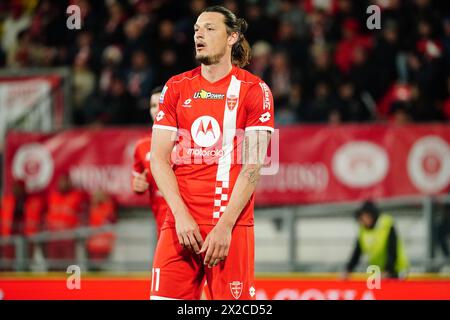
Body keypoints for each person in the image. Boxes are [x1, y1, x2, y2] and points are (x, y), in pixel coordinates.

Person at [149, 6, 274, 300]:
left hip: (229, 228)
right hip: (180, 226)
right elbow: (158, 159)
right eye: (196, 30)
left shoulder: (255, 90)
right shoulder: (176, 87)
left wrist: (225, 226)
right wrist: (180, 216)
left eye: (209, 28)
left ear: (232, 37)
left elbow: (253, 166)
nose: (199, 35)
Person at [132, 85, 169, 239]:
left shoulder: (188, 142)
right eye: (153, 106)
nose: (156, 110)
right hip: (161, 227)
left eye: (160, 105)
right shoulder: (142, 146)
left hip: (190, 224)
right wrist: (137, 185)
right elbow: (137, 182)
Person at [343, 200, 410, 279]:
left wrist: (387, 270)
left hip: (396, 270)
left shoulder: (386, 224)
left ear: (372, 215)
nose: (362, 220)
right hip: (378, 272)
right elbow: (357, 252)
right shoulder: (363, 230)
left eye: (365, 216)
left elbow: (392, 250)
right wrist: (348, 269)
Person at [44, 174, 87, 270]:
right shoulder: (52, 197)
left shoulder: (77, 196)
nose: (63, 184)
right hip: (53, 238)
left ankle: (68, 285)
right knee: (53, 267)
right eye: (61, 182)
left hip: (68, 239)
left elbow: (84, 214)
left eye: (66, 181)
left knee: (69, 267)